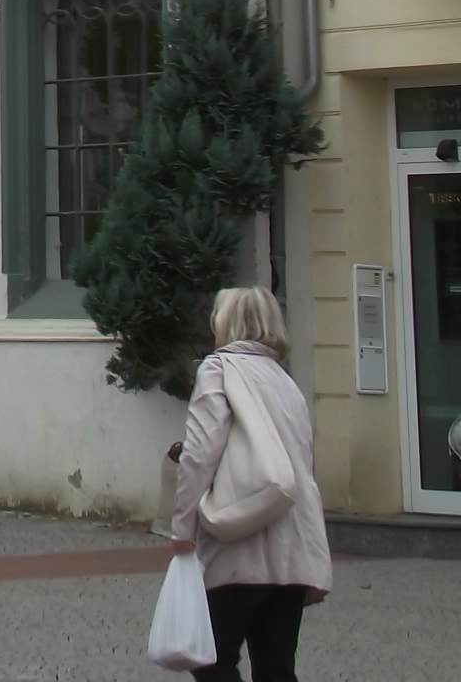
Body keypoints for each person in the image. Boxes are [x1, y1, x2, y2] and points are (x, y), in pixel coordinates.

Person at [170, 285, 331, 682]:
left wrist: (182, 527)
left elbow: (201, 452)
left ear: (226, 322)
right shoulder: (284, 381)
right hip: (292, 548)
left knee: (210, 658)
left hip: (238, 544)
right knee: (276, 668)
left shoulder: (219, 369)